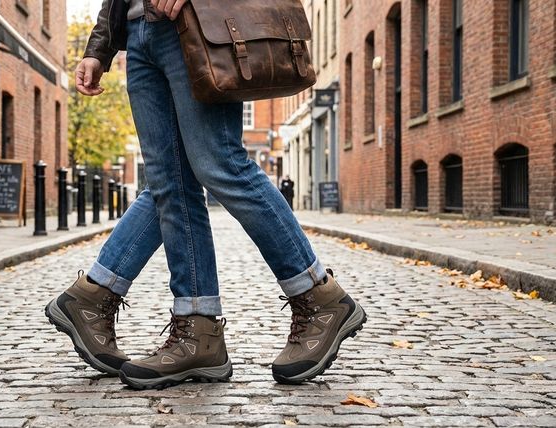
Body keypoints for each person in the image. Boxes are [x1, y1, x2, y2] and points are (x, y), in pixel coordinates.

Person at [45, 0, 366, 389]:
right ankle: (197, 330)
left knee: (221, 165)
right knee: (169, 184)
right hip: (137, 33)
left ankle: (320, 297)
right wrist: (100, 47)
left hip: (197, 24)